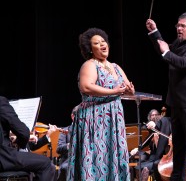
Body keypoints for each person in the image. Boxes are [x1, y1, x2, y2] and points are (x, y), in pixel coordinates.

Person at [146, 12, 186, 180]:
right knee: (179, 144)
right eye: (177, 25)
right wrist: (155, 33)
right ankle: (177, 177)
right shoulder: (178, 44)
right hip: (177, 103)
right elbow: (164, 50)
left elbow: (182, 62)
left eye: (182, 26)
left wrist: (167, 53)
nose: (179, 28)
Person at [67, 28, 135, 181]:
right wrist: (115, 91)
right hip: (94, 117)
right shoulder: (90, 65)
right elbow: (86, 86)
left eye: (103, 41)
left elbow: (126, 90)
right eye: (96, 43)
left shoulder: (116, 67)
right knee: (97, 157)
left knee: (114, 155)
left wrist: (129, 90)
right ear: (91, 50)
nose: (102, 44)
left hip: (113, 117)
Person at [0, 96, 56, 181]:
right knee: (47, 164)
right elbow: (23, 132)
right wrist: (20, 143)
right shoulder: (1, 101)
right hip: (3, 157)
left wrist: (13, 139)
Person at [131, 116, 172, 181]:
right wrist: (138, 148)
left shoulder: (167, 125)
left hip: (165, 159)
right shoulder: (156, 133)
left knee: (151, 165)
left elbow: (163, 151)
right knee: (138, 166)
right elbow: (147, 142)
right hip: (157, 158)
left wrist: (157, 141)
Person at [56, 105, 77, 181]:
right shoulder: (64, 131)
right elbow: (58, 149)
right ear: (72, 116)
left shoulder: (86, 131)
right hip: (68, 161)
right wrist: (69, 145)